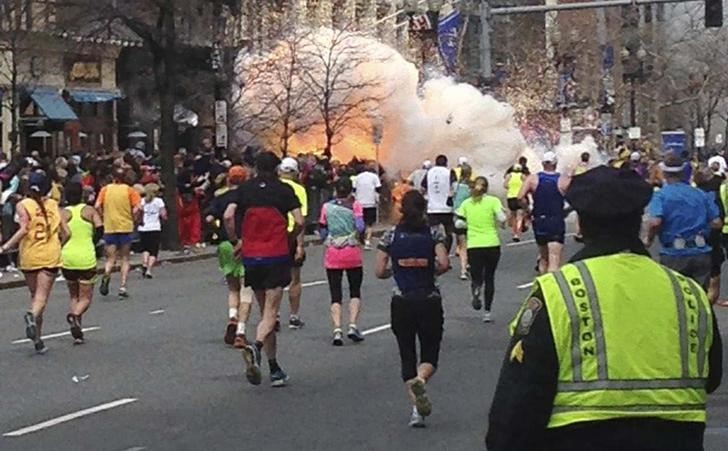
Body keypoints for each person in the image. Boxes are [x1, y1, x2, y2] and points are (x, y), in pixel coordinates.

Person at [486, 166, 723, 451]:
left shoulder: (557, 293)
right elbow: (712, 378)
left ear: (582, 226)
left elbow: (517, 405)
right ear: (639, 219)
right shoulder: (689, 293)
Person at [223, 151, 304, 388]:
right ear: (277, 169)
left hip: (252, 256)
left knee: (263, 312)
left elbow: (228, 215)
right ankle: (256, 347)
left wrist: (236, 240)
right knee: (271, 313)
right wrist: (289, 238)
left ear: (256, 168)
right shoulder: (284, 190)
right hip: (276, 254)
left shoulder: (244, 190)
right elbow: (299, 221)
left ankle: (274, 367)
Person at [374, 190, 450, 428]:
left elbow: (379, 271)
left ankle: (416, 411)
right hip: (428, 299)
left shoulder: (391, 236)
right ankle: (421, 378)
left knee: (407, 354)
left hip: (401, 301)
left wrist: (394, 271)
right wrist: (431, 269)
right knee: (430, 355)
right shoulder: (434, 233)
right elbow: (444, 263)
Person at [0, 171, 70, 354]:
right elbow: (67, 233)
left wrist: (6, 246)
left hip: (29, 254)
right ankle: (32, 318)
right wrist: (59, 245)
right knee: (41, 298)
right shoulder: (54, 205)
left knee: (35, 297)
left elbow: (23, 229)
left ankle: (38, 339)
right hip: (49, 255)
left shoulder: (23, 205)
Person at [646, 153, 721, 289]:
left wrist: (649, 240)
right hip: (700, 251)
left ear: (664, 173)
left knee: (677, 298)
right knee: (700, 297)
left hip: (674, 254)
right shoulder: (700, 194)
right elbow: (716, 223)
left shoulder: (661, 195)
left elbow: (655, 222)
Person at [207, 165, 252, 348]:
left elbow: (209, 218)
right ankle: (241, 331)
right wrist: (237, 240)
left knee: (232, 287)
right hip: (245, 243)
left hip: (224, 244)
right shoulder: (248, 197)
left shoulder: (221, 197)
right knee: (246, 288)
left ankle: (232, 316)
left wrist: (216, 232)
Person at [319, 177, 366, 345]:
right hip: (352, 252)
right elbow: (360, 227)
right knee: (354, 291)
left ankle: (337, 329)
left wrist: (330, 238)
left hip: (333, 253)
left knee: (335, 294)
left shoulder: (327, 207)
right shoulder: (355, 205)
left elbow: (322, 227)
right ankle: (353, 325)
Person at [455, 177, 507, 322]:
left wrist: (467, 226)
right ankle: (487, 313)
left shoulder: (466, 204)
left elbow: (459, 223)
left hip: (474, 245)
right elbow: (502, 218)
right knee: (490, 277)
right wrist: (502, 223)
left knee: (477, 275)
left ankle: (476, 289)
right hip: (492, 244)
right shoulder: (493, 201)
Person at [61, 182, 103, 344]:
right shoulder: (89, 210)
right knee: (85, 298)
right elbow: (100, 228)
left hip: (68, 257)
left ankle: (77, 331)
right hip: (86, 256)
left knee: (74, 295)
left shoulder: (63, 213)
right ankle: (75, 316)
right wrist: (92, 241)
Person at [518, 151, 570, 274]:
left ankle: (542, 283)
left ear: (542, 163)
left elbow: (520, 197)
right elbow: (576, 198)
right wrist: (567, 211)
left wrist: (528, 209)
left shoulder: (533, 179)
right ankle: (551, 288)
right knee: (554, 258)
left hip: (539, 219)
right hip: (556, 219)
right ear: (555, 163)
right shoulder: (563, 180)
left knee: (543, 257)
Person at [95, 167, 142, 298]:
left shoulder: (105, 190)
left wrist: (103, 216)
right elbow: (138, 207)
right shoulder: (130, 190)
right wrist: (134, 218)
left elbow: (97, 205)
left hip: (110, 226)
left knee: (110, 258)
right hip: (125, 227)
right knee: (125, 258)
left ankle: (107, 273)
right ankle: (122, 286)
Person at [279, 157, 308, 329]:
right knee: (295, 278)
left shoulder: (273, 187)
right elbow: (300, 219)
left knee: (273, 278)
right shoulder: (299, 189)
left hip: (275, 235)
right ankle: (294, 316)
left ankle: (273, 314)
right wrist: (300, 245)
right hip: (291, 234)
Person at [421, 154, 457, 253]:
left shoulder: (429, 172)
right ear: (446, 163)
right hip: (447, 208)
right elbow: (455, 187)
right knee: (448, 232)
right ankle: (446, 252)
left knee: (432, 232)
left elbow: (423, 188)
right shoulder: (450, 172)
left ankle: (433, 252)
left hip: (432, 208)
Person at [138, 183, 166, 279]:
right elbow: (163, 214)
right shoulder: (159, 201)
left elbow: (138, 213)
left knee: (145, 248)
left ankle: (144, 263)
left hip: (143, 228)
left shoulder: (142, 201)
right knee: (153, 250)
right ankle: (149, 270)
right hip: (155, 227)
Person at [353, 162, 381, 250]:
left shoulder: (357, 178)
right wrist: (377, 199)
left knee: (360, 222)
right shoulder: (374, 177)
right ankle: (367, 241)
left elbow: (354, 190)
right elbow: (378, 189)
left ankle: (359, 238)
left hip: (359, 203)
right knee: (369, 224)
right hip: (371, 202)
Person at [452, 165, 472, 279]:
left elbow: (450, 197)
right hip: (469, 218)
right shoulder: (471, 187)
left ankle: (463, 270)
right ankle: (469, 263)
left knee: (462, 244)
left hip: (457, 218)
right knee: (469, 243)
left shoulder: (456, 186)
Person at [503, 163, 525, 242]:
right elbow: (526, 184)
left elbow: (505, 185)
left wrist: (511, 187)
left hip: (511, 197)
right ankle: (518, 234)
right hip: (520, 197)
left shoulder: (509, 176)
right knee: (520, 216)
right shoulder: (522, 176)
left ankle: (514, 232)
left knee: (513, 215)